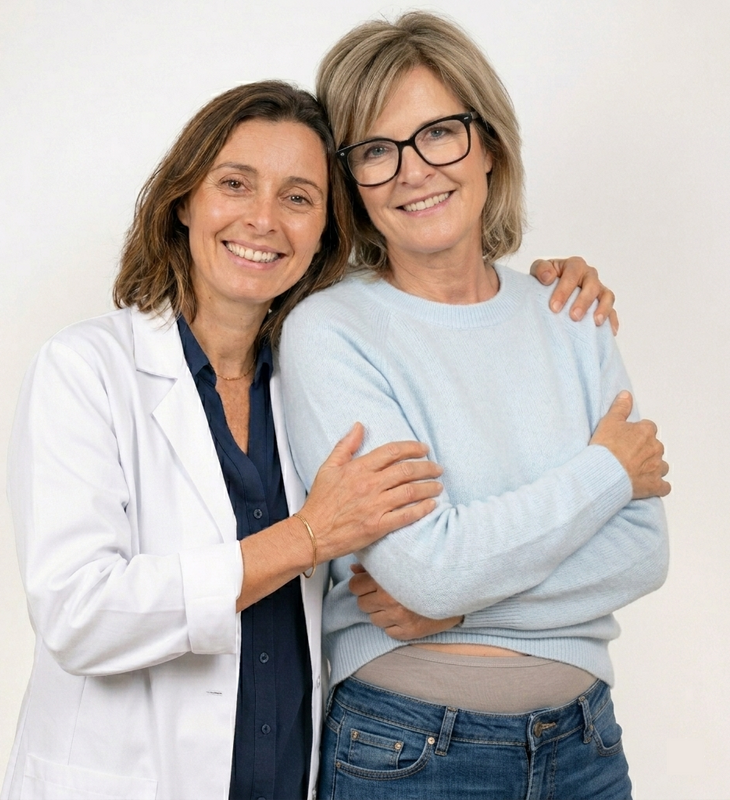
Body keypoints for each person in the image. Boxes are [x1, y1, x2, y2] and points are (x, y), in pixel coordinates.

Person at [1, 80, 620, 800]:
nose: (263, 220)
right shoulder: (85, 370)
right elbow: (77, 614)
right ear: (184, 200)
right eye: (235, 184)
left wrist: (537, 290)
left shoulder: (313, 373)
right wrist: (306, 537)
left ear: (328, 229)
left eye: (298, 198)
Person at [279, 12, 670, 800]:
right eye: (377, 150)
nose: (414, 171)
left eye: (439, 133)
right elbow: (426, 568)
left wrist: (456, 610)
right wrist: (606, 472)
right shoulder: (331, 331)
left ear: (488, 143)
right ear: (351, 181)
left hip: (586, 748)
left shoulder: (570, 312)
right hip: (408, 752)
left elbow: (643, 550)